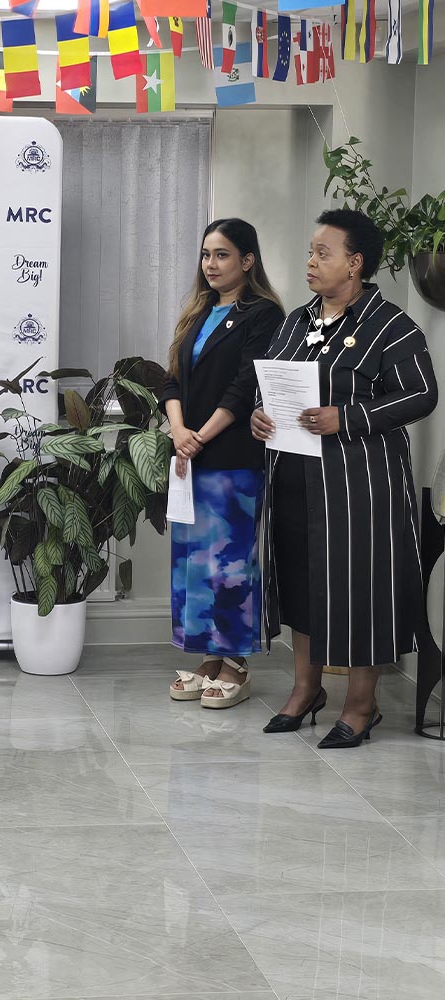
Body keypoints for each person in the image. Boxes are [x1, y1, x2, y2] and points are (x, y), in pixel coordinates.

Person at [251, 209, 437, 748]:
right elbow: (274, 381)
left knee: (361, 590)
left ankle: (360, 706)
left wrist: (348, 418)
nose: (310, 262)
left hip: (359, 486)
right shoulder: (296, 321)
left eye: (322, 253)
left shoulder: (390, 325)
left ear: (355, 263)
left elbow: (422, 394)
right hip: (293, 477)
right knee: (301, 583)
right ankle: (305, 690)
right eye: (310, 252)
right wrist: (261, 413)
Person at [160, 219, 285, 708]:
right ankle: (209, 657)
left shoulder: (263, 314)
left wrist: (198, 438)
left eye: (223, 255)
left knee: (228, 562)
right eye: (206, 254)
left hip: (232, 458)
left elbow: (244, 386)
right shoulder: (198, 311)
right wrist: (178, 432)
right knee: (194, 563)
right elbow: (172, 379)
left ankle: (235, 662)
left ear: (247, 260)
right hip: (189, 455)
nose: (210, 264)